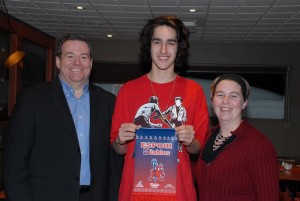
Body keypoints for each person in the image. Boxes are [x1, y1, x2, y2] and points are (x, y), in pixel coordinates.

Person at [3, 34, 118, 201]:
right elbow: (14, 164)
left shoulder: (108, 102)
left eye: (83, 57)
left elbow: (113, 164)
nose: (77, 63)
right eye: (70, 56)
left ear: (91, 63)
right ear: (58, 61)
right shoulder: (32, 100)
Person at [110, 16, 209, 201]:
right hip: (135, 192)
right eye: (157, 42)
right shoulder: (127, 90)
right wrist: (120, 139)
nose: (163, 50)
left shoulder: (194, 91)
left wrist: (190, 140)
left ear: (179, 48)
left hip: (179, 192)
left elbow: (198, 148)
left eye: (170, 43)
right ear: (149, 46)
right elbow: (118, 149)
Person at [195, 74, 279, 201]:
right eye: (220, 95)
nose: (225, 101)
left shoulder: (259, 145)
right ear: (212, 101)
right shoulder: (209, 136)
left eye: (233, 96)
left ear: (244, 103)